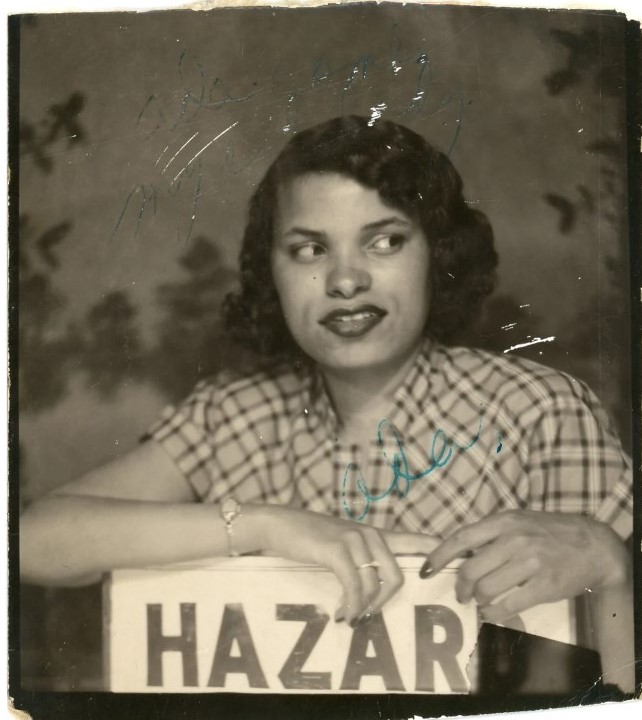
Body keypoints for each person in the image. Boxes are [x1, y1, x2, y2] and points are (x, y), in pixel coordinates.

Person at [20, 116, 634, 690]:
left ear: (437, 257)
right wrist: (263, 524)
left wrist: (612, 567)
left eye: (385, 241)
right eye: (309, 250)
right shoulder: (235, 413)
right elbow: (31, 544)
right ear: (274, 273)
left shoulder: (539, 411)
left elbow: (619, 686)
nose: (345, 280)